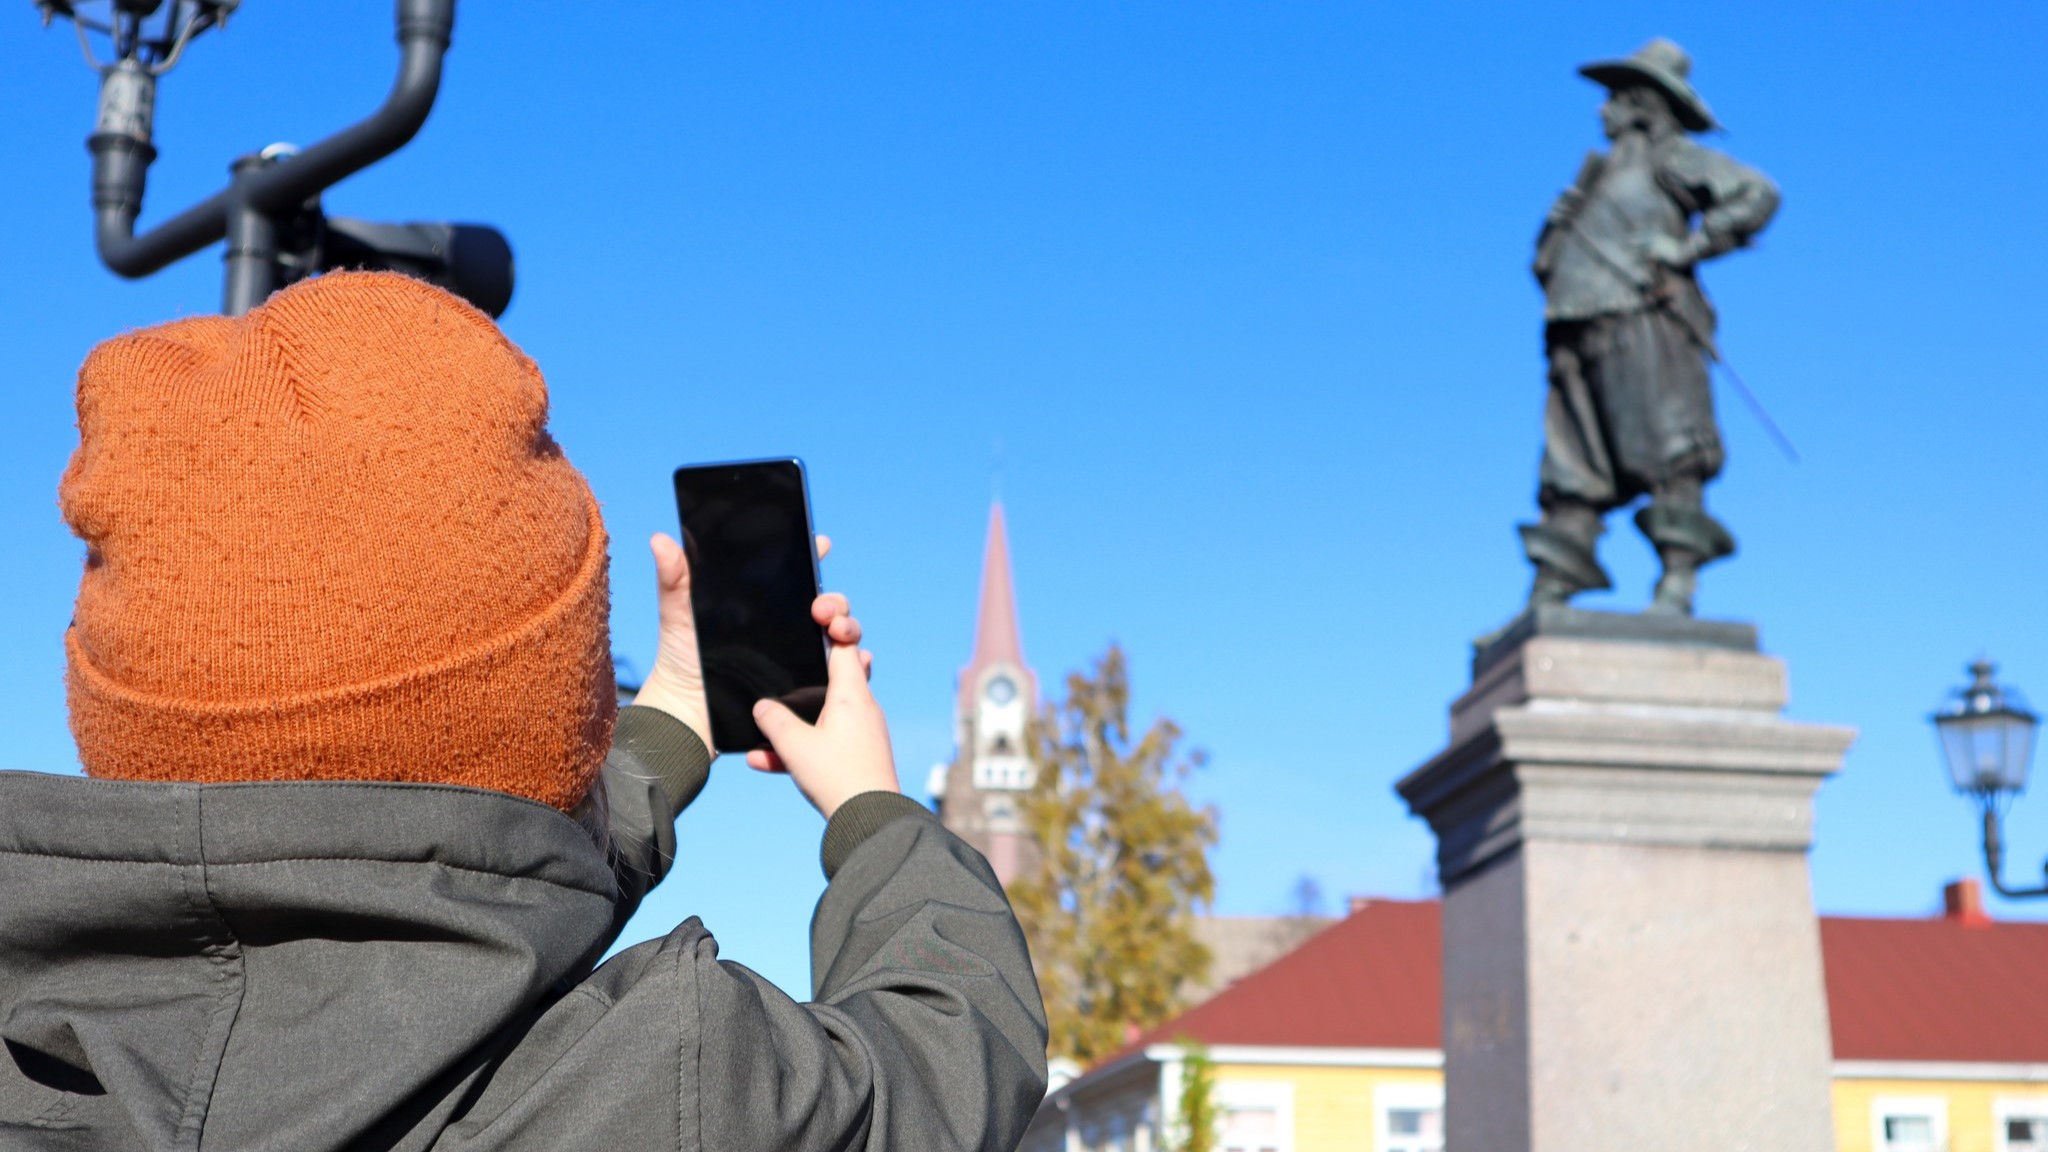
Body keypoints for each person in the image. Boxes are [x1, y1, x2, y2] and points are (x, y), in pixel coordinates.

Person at [0, 272, 1049, 1150]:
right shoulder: (668, 1091)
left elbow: (441, 867)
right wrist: (873, 811)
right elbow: (949, 1051)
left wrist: (677, 713)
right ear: (551, 719)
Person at [1521, 38, 1779, 615]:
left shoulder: (1671, 157)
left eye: (1613, 99)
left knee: (1668, 446)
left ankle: (1677, 582)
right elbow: (1547, 263)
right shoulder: (1597, 172)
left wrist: (1687, 247)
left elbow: (1757, 193)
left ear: (1642, 103)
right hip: (1575, 323)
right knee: (1573, 461)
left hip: (1640, 319)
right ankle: (1554, 580)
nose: (1601, 110)